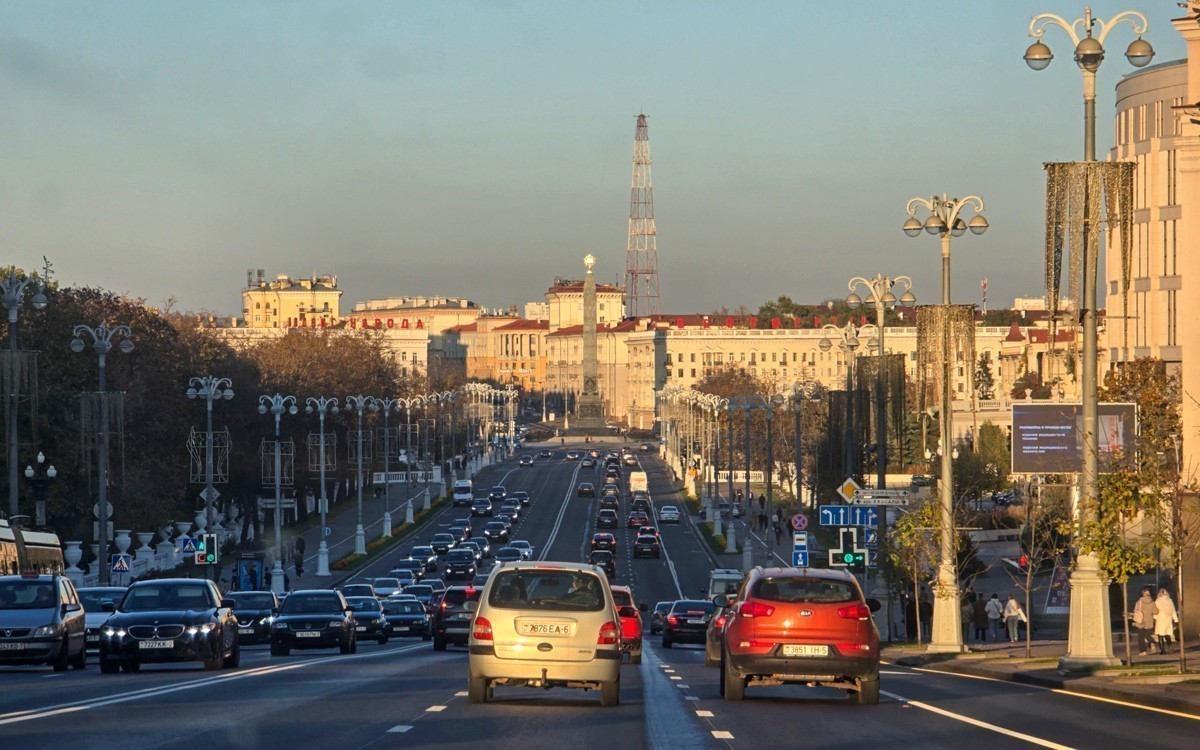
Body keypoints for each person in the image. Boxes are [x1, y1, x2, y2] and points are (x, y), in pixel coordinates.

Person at [1132, 587, 1157, 655]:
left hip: (1140, 621)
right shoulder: (1152, 602)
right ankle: (1151, 642)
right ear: (1149, 594)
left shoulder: (1139, 602)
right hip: (1149, 621)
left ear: (1143, 594)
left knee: (1140, 637)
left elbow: (1135, 610)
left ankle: (1143, 651)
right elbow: (1155, 612)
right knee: (1147, 634)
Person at [1153, 589, 1178, 656]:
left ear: (1160, 594)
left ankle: (1162, 650)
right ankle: (1170, 646)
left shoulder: (1158, 601)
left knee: (1160, 635)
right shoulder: (1170, 601)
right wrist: (1175, 619)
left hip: (1160, 619)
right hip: (1168, 619)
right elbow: (1173, 610)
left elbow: (1155, 611)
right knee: (1167, 634)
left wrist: (1155, 617)